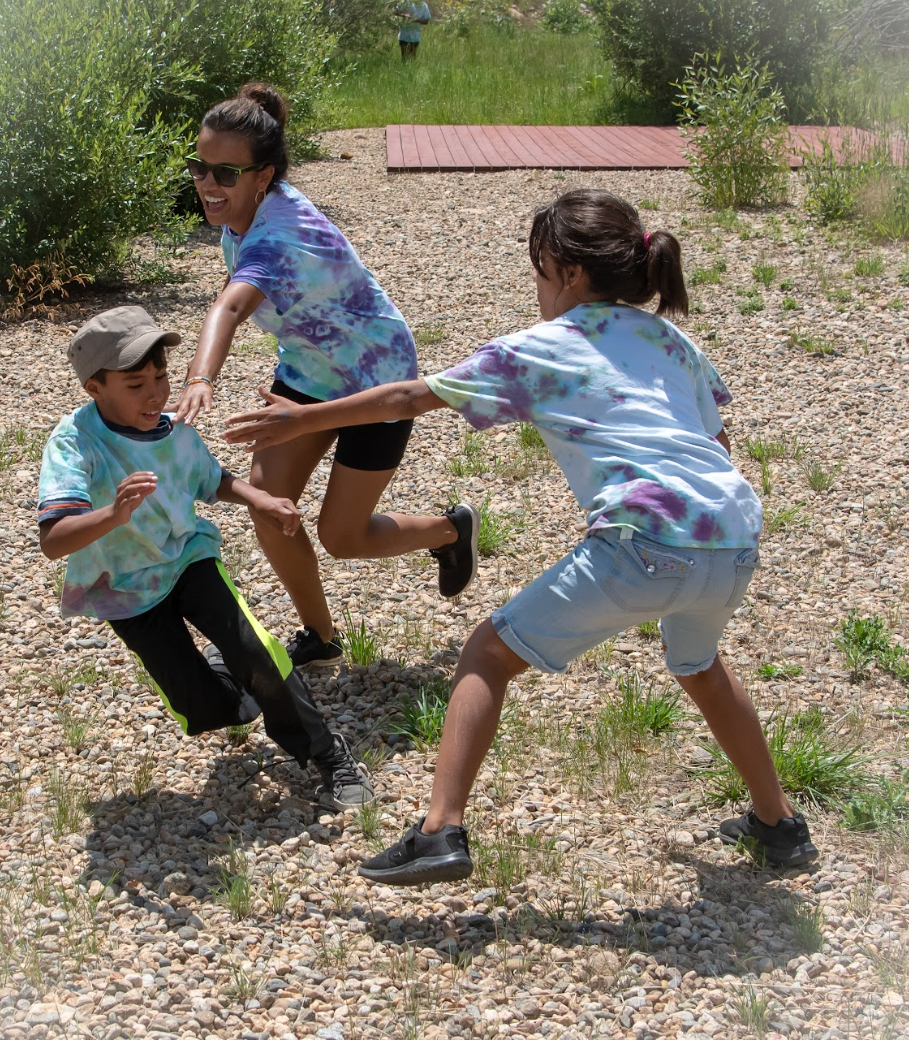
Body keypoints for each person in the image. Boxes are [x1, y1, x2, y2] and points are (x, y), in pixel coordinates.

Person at [222, 188, 820, 881]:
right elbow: (716, 437)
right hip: (735, 537)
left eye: (537, 271)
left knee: (487, 653)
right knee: (700, 667)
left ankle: (440, 831)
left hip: (642, 541)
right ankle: (779, 826)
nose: (536, 288)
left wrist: (300, 421)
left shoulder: (544, 346)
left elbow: (408, 396)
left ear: (566, 272)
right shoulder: (669, 337)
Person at [174, 82, 478, 671]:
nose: (208, 184)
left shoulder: (279, 237)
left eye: (225, 173)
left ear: (263, 176)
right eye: (199, 167)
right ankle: (320, 636)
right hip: (309, 370)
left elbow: (229, 308)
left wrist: (198, 377)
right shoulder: (247, 207)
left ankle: (448, 530)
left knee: (343, 536)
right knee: (269, 506)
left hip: (376, 380)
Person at [37, 305, 373, 810]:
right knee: (204, 709)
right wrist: (112, 515)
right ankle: (225, 676)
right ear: (94, 389)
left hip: (189, 559)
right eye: (135, 384)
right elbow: (54, 539)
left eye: (161, 376)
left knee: (259, 654)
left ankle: (327, 754)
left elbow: (211, 480)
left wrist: (261, 498)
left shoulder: (174, 431)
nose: (155, 393)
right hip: (123, 585)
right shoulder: (75, 443)